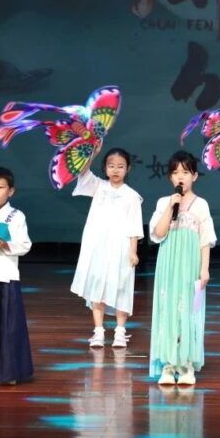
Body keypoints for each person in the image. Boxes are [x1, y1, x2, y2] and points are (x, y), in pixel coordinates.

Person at [149, 151, 216, 386]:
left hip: (191, 265)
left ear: (194, 176)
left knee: (189, 311)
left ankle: (186, 363)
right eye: (176, 172)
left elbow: (205, 239)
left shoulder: (202, 205)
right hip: (168, 264)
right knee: (167, 310)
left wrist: (205, 269)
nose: (181, 176)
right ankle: (168, 364)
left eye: (185, 172)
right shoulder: (163, 203)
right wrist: (171, 206)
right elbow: (158, 233)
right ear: (170, 177)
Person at [71, 147, 143, 349]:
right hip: (98, 247)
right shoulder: (99, 186)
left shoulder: (132, 196)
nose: (115, 170)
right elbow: (83, 173)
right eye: (111, 166)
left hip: (121, 248)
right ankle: (98, 331)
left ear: (128, 169)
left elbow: (134, 226)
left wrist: (133, 251)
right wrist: (92, 154)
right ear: (105, 168)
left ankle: (120, 331)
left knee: (121, 287)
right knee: (97, 287)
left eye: (120, 166)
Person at [0, 166, 33, 385]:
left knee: (8, 327)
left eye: (0, 187)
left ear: (10, 191)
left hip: (5, 276)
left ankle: (8, 371)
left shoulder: (15, 216)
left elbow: (25, 245)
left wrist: (5, 245)